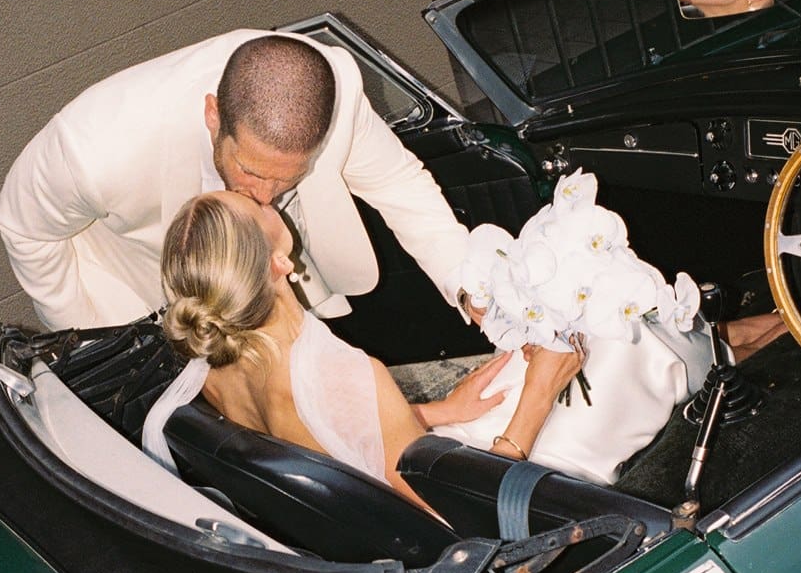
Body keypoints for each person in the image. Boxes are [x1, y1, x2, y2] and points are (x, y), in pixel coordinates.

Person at [0, 29, 478, 333]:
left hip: (277, 304)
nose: (265, 199)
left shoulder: (335, 92)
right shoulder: (94, 149)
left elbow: (397, 183)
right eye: (250, 171)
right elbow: (23, 227)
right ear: (213, 115)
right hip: (150, 303)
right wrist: (95, 339)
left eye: (290, 178)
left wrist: (467, 283)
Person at [144, 192, 585, 515]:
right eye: (252, 203)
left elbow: (329, 437)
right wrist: (540, 394)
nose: (262, 196)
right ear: (279, 264)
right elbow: (460, 521)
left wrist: (436, 412)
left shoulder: (211, 370)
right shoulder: (342, 376)